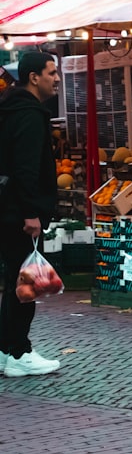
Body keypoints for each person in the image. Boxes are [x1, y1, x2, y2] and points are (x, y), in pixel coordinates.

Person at [0, 51, 62, 377]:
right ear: (33, 77)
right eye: (51, 72)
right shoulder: (29, 115)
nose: (57, 78)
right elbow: (25, 169)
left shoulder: (9, 108)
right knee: (25, 284)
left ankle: (4, 350)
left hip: (6, 209)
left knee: (13, 280)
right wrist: (31, 213)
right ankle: (20, 352)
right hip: (18, 214)